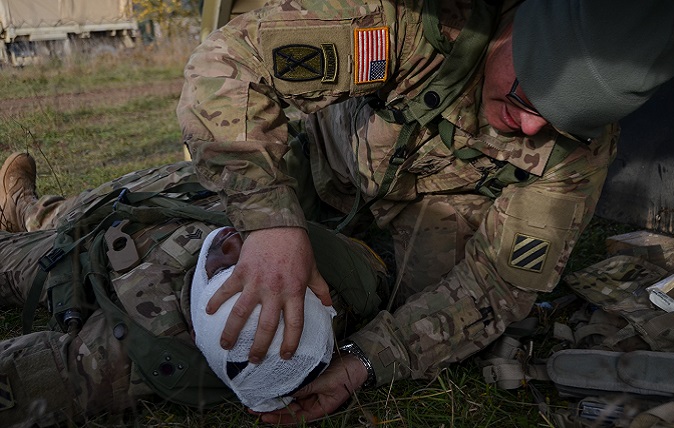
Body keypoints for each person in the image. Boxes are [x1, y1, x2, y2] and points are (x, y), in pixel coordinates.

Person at [176, 0, 674, 423]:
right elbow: (222, 64)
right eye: (528, 93)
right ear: (517, 24)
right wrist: (271, 223)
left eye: (561, 122)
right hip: (326, 167)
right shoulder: (413, 22)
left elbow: (498, 285)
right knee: (218, 257)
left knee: (422, 311)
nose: (534, 128)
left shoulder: (578, 153)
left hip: (432, 211)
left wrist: (364, 362)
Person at [0, 152, 387, 427]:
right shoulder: (350, 272)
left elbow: (27, 378)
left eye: (224, 275)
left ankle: (32, 214)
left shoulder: (125, 356)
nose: (236, 244)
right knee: (68, 214)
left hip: (88, 252)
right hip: (159, 202)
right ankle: (30, 210)